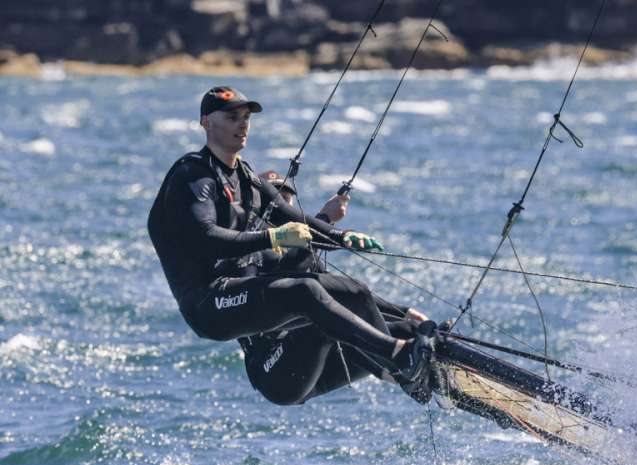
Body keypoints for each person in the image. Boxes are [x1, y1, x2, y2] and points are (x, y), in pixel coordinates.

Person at [147, 86, 433, 403]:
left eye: (245, 118)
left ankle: (431, 369)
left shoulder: (245, 176)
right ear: (206, 122)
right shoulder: (192, 175)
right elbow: (206, 239)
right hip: (209, 302)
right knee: (304, 292)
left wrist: (340, 236)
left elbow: (290, 218)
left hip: (265, 318)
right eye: (232, 117)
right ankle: (397, 357)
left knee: (352, 291)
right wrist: (274, 237)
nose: (242, 125)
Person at [236, 170, 436, 405]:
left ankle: (446, 378)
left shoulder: (293, 250)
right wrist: (324, 221)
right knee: (322, 319)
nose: (285, 205)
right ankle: (399, 374)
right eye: (278, 198)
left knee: (405, 331)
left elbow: (338, 291)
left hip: (319, 366)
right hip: (276, 373)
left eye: (288, 199)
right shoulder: (249, 250)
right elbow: (289, 278)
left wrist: (402, 312)